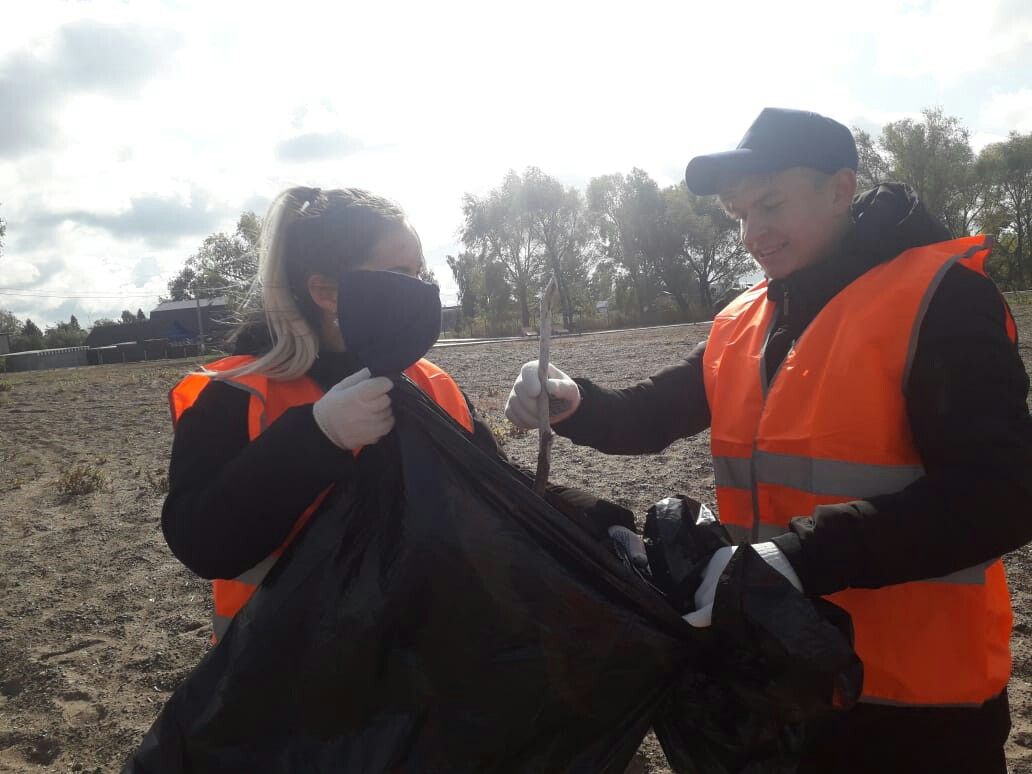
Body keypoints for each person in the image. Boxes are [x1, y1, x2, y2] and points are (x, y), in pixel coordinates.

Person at [505, 108, 1032, 772]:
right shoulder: (746, 318)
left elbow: (1002, 494)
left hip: (915, 702)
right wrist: (573, 401)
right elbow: (651, 414)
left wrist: (794, 559)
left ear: (841, 189)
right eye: (739, 215)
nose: (754, 233)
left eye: (771, 204)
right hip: (780, 680)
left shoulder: (942, 300)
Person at [162, 186, 633, 645]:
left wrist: (594, 519)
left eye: (420, 271)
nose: (421, 288)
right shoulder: (235, 395)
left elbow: (497, 489)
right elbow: (202, 541)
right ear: (327, 292)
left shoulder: (430, 384)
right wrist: (316, 436)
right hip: (289, 683)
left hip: (417, 676)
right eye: (400, 272)